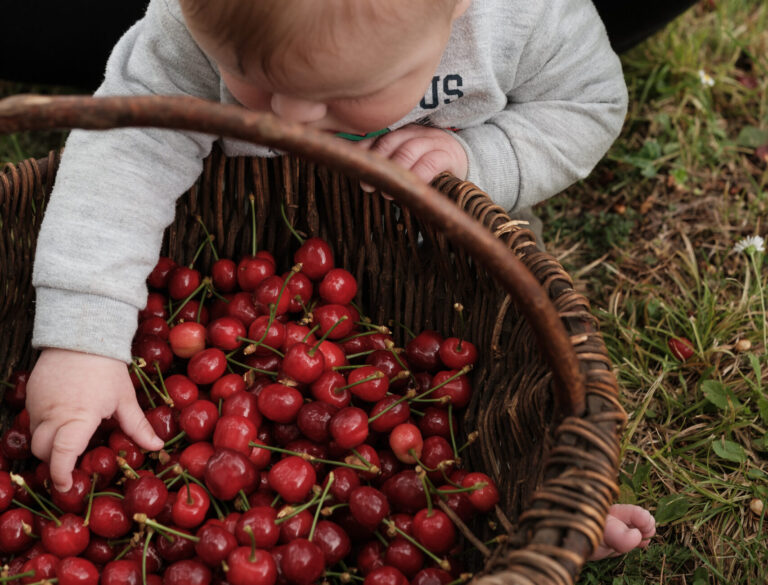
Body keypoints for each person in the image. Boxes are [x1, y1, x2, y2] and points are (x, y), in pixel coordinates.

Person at [24, 0, 654, 560]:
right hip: (263, 248)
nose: (293, 115)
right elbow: (124, 153)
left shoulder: (526, 17)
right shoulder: (189, 26)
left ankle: (548, 497)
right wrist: (84, 334)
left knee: (519, 354)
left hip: (442, 247)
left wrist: (475, 159)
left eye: (347, 90)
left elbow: (588, 104)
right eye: (249, 76)